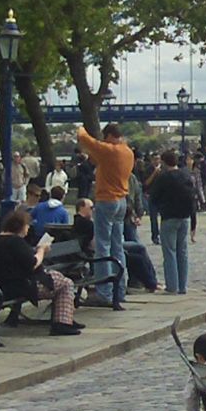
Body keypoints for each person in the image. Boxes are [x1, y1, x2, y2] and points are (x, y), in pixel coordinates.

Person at [0, 210, 82, 335]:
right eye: (27, 225)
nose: (28, 229)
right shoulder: (15, 242)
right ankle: (62, 322)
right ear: (20, 226)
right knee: (67, 284)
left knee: (59, 278)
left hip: (7, 283)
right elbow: (33, 263)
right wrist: (42, 250)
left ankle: (65, 318)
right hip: (23, 285)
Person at [78, 123, 134, 307]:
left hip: (106, 199)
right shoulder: (127, 151)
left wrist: (80, 128)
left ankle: (105, 292)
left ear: (109, 136)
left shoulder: (110, 150)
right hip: (121, 201)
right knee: (118, 246)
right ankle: (120, 289)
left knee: (103, 246)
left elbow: (87, 140)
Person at [148, 150, 195, 294]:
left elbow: (153, 196)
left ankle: (172, 286)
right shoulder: (186, 175)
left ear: (163, 162)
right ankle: (183, 286)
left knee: (169, 252)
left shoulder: (163, 177)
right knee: (183, 252)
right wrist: (194, 223)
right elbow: (192, 199)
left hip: (169, 217)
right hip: (185, 217)